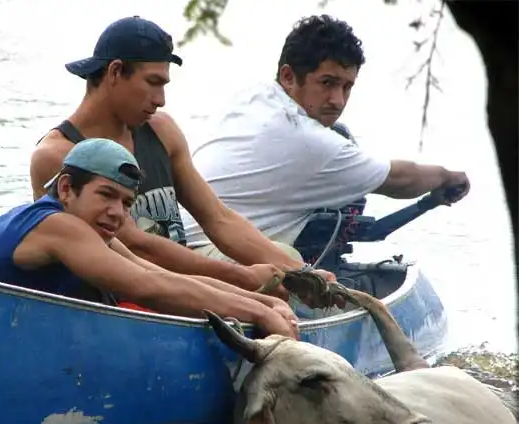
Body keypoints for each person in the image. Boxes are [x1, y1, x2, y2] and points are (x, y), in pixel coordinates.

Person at [29, 15, 336, 304]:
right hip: (126, 285)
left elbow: (218, 219)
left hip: (181, 271)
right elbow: (133, 245)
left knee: (286, 260)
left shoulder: (161, 130)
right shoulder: (58, 155)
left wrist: (300, 274)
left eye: (164, 85)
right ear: (115, 72)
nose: (160, 99)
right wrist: (242, 278)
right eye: (153, 82)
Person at [182, 14, 470, 259]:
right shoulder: (306, 140)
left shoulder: (254, 98)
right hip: (206, 251)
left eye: (347, 87)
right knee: (288, 262)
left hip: (182, 242)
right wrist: (447, 177)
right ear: (288, 76)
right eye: (327, 83)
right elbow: (399, 179)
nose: (338, 100)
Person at [0, 137, 299, 338]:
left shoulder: (90, 232)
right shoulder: (58, 225)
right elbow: (147, 288)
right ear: (66, 188)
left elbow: (160, 275)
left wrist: (263, 303)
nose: (117, 213)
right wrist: (259, 315)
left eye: (125, 203)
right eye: (105, 195)